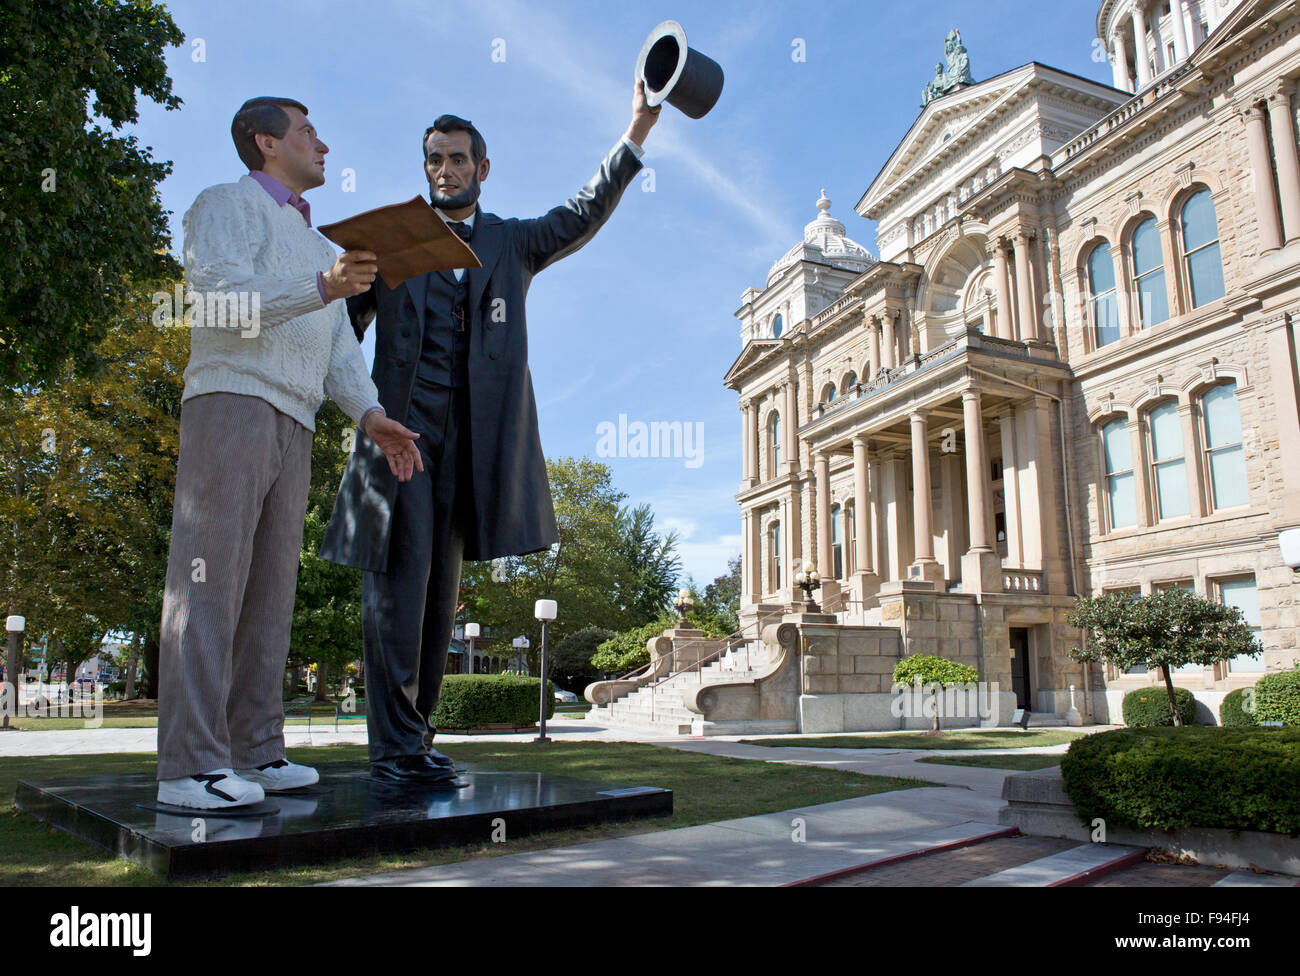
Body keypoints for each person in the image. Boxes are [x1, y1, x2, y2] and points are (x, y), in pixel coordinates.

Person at [321, 80, 660, 783]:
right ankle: (392, 751)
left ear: (482, 168)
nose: (444, 170)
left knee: (439, 597)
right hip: (401, 443)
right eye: (434, 160)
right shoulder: (387, 242)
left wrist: (636, 131)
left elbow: (582, 212)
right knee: (396, 591)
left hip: (471, 449)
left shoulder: (511, 242)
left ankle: (418, 739)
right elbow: (338, 342)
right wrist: (335, 289)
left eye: (457, 159)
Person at [157, 96, 425, 809]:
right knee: (206, 583)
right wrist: (319, 286)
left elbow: (339, 348)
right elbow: (213, 302)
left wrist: (370, 414)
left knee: (272, 594)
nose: (324, 145)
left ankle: (256, 750)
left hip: (298, 419)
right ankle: (189, 767)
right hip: (232, 403)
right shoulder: (225, 203)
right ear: (265, 142)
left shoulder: (320, 248)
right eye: (308, 132)